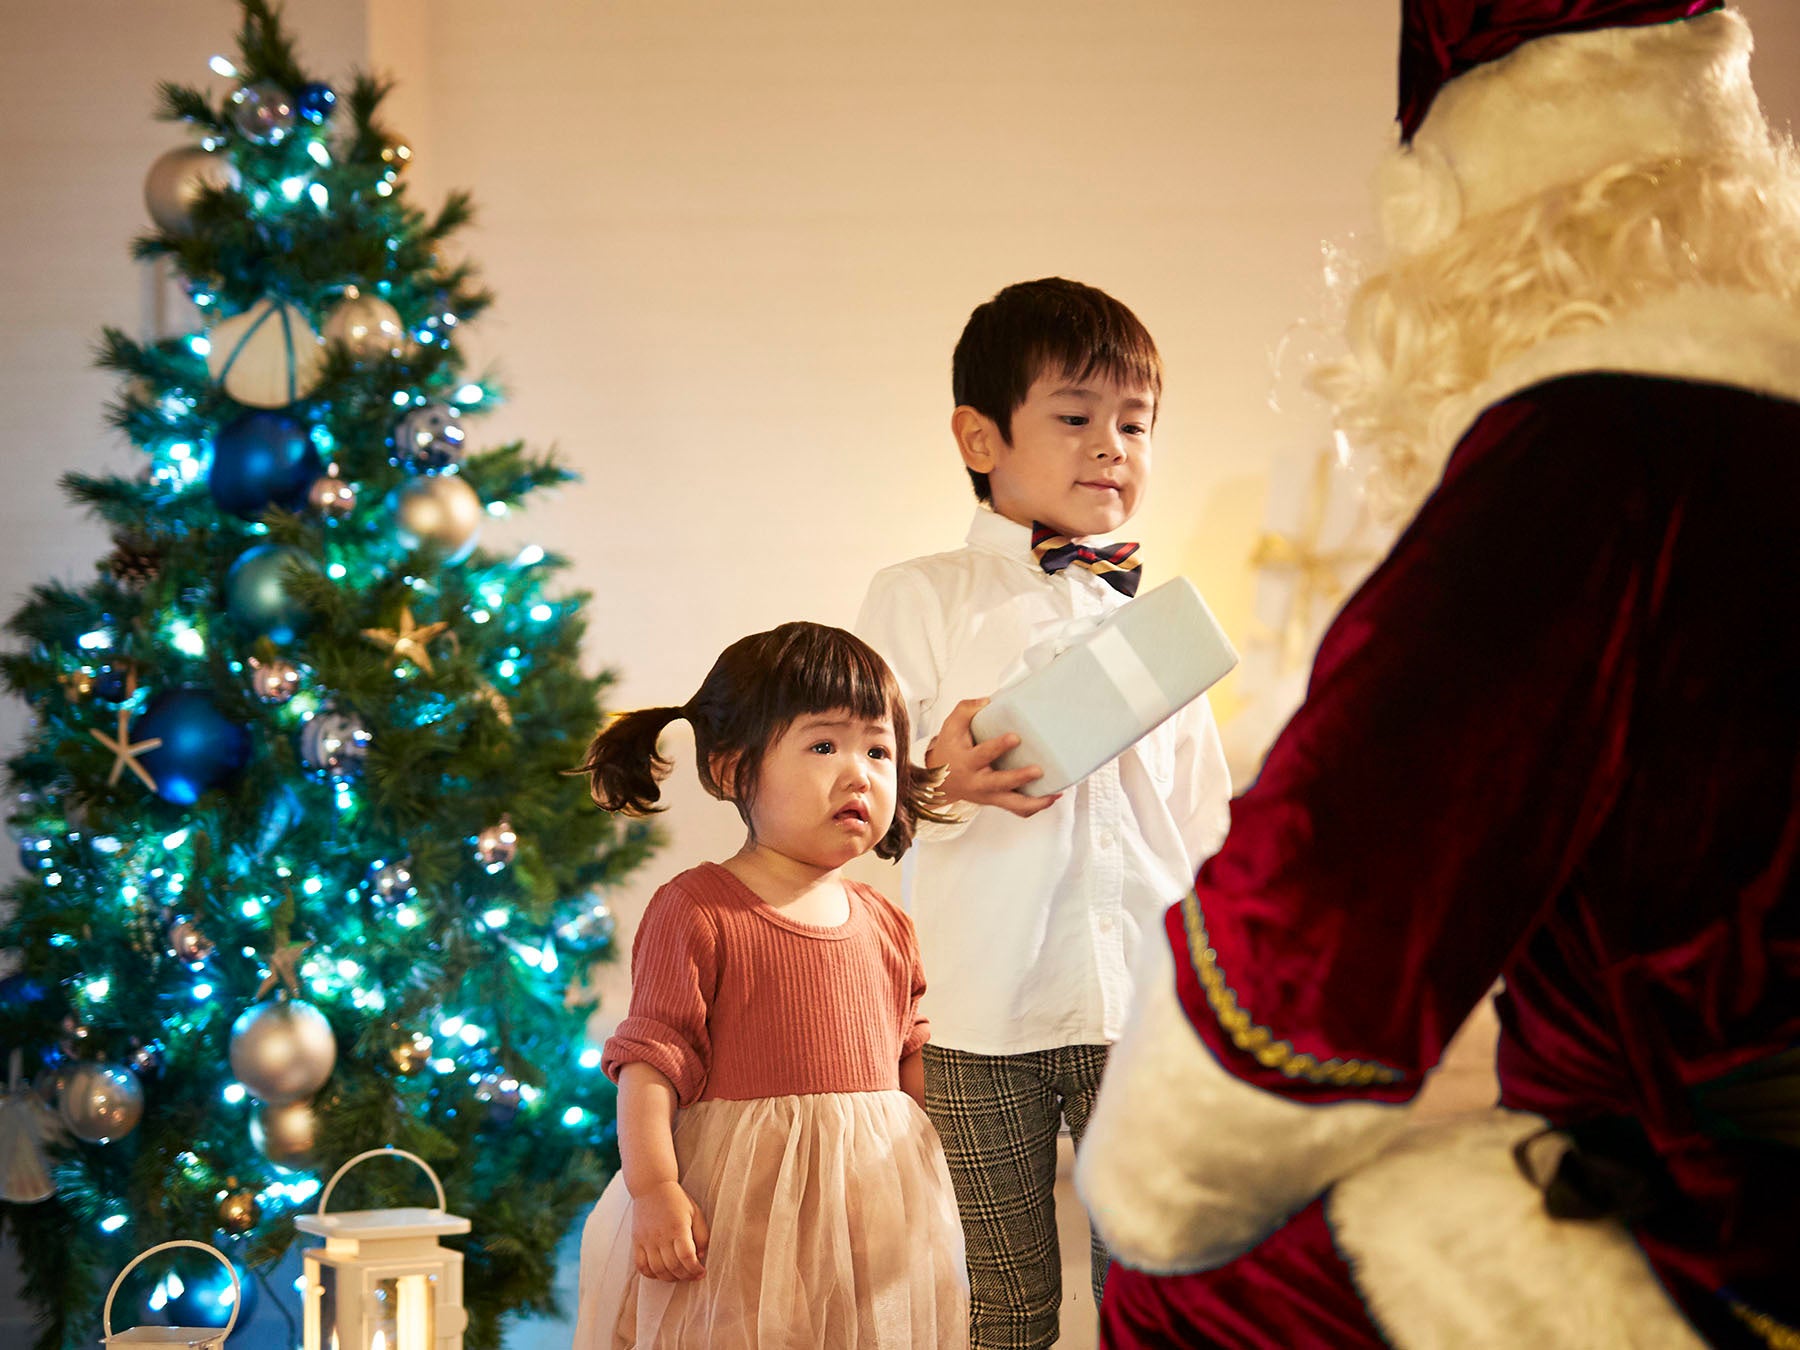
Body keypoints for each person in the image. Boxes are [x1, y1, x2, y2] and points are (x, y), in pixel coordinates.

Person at [1077, 4, 1800, 1347]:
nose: (1110, 450)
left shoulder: (1588, 447)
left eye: (1130, 421)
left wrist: (1153, 1162)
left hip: (1725, 1235)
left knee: (1178, 1286)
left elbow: (1300, 947)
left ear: (1460, 230)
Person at [856, 277, 1233, 1349]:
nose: (1110, 446)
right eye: (1075, 417)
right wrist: (938, 776)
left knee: (1154, 1294)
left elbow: (1204, 824)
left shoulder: (1168, 627)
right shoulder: (919, 595)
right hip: (975, 1013)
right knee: (1004, 1303)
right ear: (981, 437)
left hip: (1144, 1008)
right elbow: (861, 799)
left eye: (1135, 424)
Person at [571, 622, 969, 1349]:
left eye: (879, 751)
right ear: (732, 770)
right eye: (823, 746)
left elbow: (911, 1065)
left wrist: (940, 1172)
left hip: (870, 1220)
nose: (860, 775)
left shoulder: (887, 923)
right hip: (738, 1220)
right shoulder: (699, 909)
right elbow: (649, 1065)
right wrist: (653, 1190)